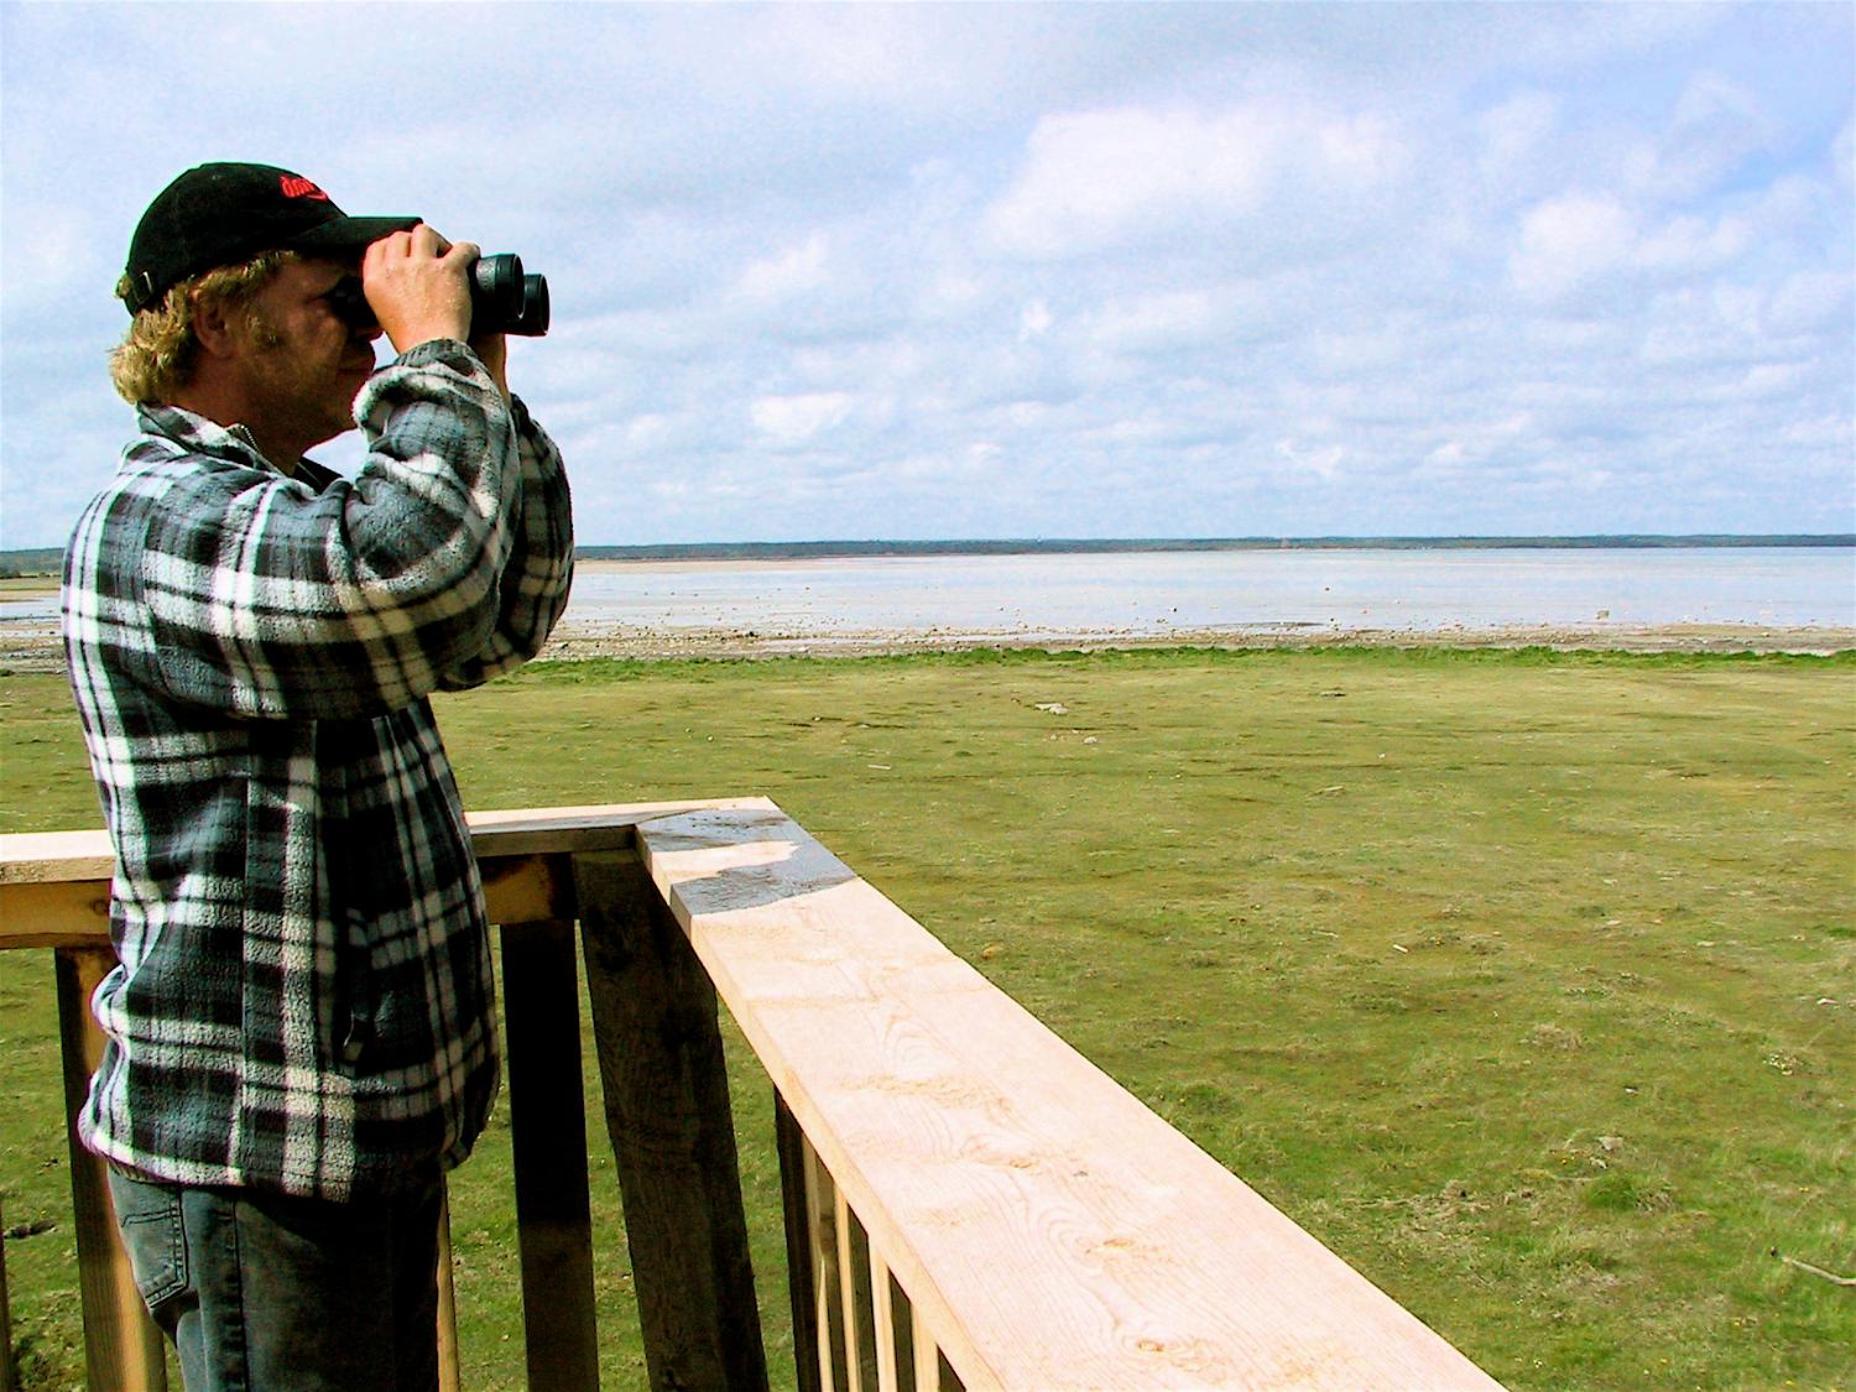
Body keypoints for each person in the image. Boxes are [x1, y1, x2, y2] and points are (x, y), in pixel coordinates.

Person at [61, 162, 574, 1391]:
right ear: (221, 317)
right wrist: (430, 370)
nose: (363, 319)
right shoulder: (155, 519)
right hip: (255, 1159)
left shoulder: (278, 509)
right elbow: (410, 573)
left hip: (343, 1138)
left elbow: (500, 613)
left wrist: (479, 396)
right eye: (332, 290)